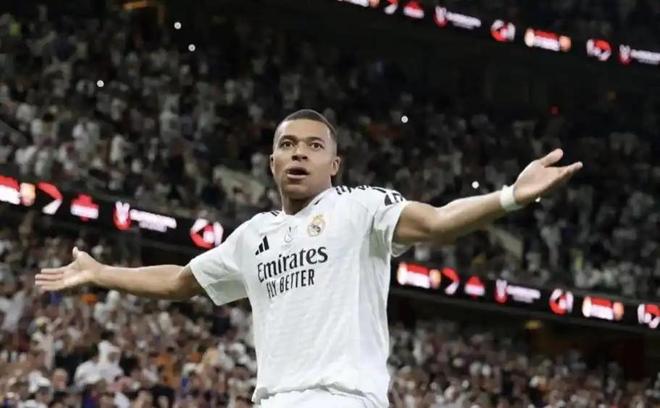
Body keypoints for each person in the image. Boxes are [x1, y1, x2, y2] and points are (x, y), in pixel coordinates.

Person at [35, 109, 583, 408]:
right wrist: (102, 272)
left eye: (314, 146)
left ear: (334, 164)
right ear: (272, 162)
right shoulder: (253, 236)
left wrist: (511, 196)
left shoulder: (361, 208)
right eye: (289, 145)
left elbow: (439, 221)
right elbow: (181, 280)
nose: (300, 152)